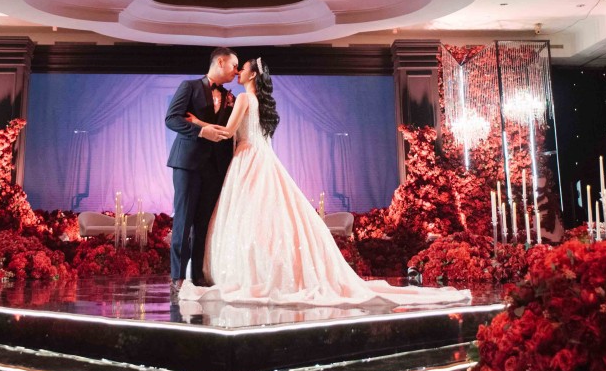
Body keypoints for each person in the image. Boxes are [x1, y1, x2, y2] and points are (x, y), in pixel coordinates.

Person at [180, 58, 470, 307]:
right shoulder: (264, 105)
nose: (238, 73)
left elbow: (228, 132)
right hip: (264, 159)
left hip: (246, 159)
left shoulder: (244, 99)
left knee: (246, 216)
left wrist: (198, 123)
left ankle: (246, 270)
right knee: (269, 215)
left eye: (242, 68)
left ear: (252, 75)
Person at [164, 47, 238, 296]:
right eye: (234, 65)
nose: (236, 71)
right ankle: (178, 277)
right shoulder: (190, 86)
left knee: (204, 224)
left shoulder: (231, 97)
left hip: (215, 167)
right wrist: (200, 131)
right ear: (220, 61)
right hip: (187, 163)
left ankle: (197, 275)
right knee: (183, 220)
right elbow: (172, 118)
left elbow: (229, 132)